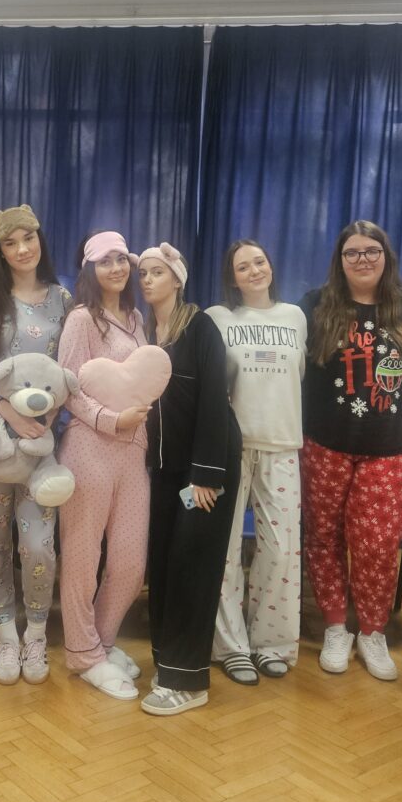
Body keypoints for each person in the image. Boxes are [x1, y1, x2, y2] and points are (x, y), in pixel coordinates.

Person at [298, 221, 402, 682]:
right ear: (340, 260)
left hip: (389, 449)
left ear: (386, 256)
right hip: (324, 445)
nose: (363, 259)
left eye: (372, 251)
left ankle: (372, 631)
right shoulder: (315, 304)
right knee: (323, 538)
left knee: (377, 546)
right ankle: (336, 627)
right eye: (352, 252)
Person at [0, 205, 74, 685]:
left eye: (27, 238)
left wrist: (45, 417)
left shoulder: (62, 299)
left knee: (38, 546)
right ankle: (6, 637)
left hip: (40, 449)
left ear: (39, 239)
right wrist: (7, 411)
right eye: (10, 243)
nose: (21, 249)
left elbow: (68, 372)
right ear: (0, 251)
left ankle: (35, 634)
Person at [139, 244, 241, 715]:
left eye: (157, 272)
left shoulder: (200, 327)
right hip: (163, 468)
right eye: (143, 273)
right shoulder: (144, 332)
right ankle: (167, 664)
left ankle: (189, 681)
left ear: (177, 279)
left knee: (191, 566)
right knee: (162, 564)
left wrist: (206, 475)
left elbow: (215, 402)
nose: (147, 280)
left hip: (204, 467)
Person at [56, 231, 153, 700]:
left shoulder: (137, 319)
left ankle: (101, 643)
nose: (115, 268)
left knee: (131, 564)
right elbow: (69, 388)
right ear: (89, 269)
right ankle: (82, 652)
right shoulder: (81, 319)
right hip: (89, 448)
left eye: (121, 259)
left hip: (133, 452)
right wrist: (111, 420)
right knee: (82, 557)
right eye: (105, 261)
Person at [206, 240, 306, 686]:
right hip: (233, 446)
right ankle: (231, 647)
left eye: (259, 262)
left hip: (282, 443)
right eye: (243, 266)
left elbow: (298, 377)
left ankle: (272, 644)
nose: (254, 271)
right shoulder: (218, 318)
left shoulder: (295, 317)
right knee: (224, 550)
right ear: (232, 277)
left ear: (271, 266)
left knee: (281, 551)